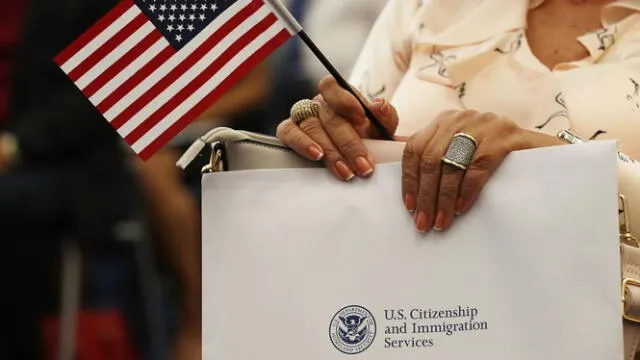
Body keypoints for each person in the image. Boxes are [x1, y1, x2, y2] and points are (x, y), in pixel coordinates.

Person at [277, 0, 640, 235]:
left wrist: (555, 159)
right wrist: (346, 136)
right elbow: (355, 134)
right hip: (417, 318)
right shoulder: (422, 6)